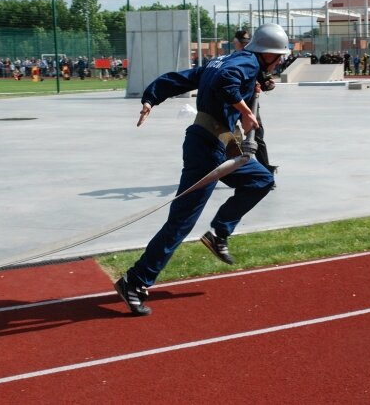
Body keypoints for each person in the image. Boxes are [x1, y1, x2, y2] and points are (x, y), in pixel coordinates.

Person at [115, 23, 289, 316]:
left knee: (261, 179)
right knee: (181, 222)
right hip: (208, 147)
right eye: (279, 55)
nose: (281, 61)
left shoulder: (229, 59)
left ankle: (219, 233)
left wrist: (151, 97)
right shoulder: (243, 63)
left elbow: (181, 79)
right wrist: (246, 112)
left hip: (221, 140)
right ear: (267, 53)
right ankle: (135, 281)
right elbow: (225, 82)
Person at [233, 29, 278, 175]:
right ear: (236, 43)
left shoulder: (254, 59)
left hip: (250, 103)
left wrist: (268, 85)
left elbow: (265, 82)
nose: (246, 45)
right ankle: (235, 170)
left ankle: (265, 169)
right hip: (232, 104)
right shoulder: (232, 59)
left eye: (247, 43)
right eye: (243, 43)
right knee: (231, 137)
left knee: (257, 136)